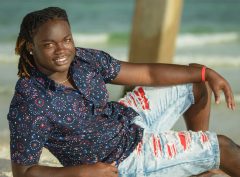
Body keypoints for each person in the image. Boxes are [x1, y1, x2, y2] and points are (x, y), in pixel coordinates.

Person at [7, 7, 240, 177]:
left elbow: (148, 73)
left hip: (127, 120)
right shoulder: (30, 102)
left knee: (193, 78)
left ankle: (200, 166)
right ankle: (203, 156)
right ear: (30, 46)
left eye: (66, 40)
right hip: (125, 160)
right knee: (223, 146)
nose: (62, 50)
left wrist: (205, 74)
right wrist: (83, 172)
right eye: (49, 44)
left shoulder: (83, 59)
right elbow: (24, 171)